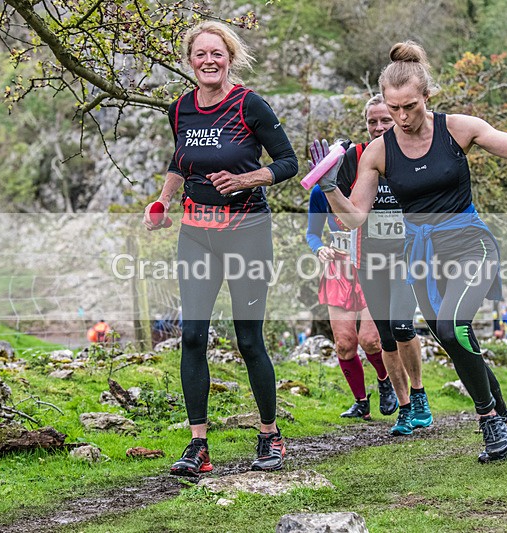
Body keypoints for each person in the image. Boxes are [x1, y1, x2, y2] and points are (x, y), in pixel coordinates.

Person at [317, 41, 507, 462]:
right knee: (458, 339)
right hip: (423, 257)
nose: (401, 117)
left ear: (427, 96)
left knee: (451, 326)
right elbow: (354, 218)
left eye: (409, 106)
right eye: (393, 109)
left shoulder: (459, 128)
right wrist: (331, 185)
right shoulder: (379, 151)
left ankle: (488, 421)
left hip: (469, 245)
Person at [143, 21, 298, 476]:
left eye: (217, 53)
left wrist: (245, 179)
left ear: (229, 58)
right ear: (190, 61)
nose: (208, 61)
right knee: (192, 336)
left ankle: (270, 435)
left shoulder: (250, 105)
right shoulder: (180, 109)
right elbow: (179, 161)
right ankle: (198, 446)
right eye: (200, 54)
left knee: (248, 339)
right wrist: (162, 201)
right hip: (196, 234)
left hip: (248, 232)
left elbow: (287, 162)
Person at [327, 94, 432, 436]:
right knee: (386, 337)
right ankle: (404, 407)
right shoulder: (355, 157)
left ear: (399, 118)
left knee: (402, 326)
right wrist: (328, 180)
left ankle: (419, 393)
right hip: (368, 259)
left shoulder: (415, 152)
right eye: (372, 121)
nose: (378, 127)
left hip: (406, 257)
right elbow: (342, 214)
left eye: (385, 119)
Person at [306, 156, 398, 421]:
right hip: (338, 270)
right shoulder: (320, 192)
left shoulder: (370, 185)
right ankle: (361, 402)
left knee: (370, 340)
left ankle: (385, 382)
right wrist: (319, 249)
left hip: (369, 265)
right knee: (344, 344)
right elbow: (312, 233)